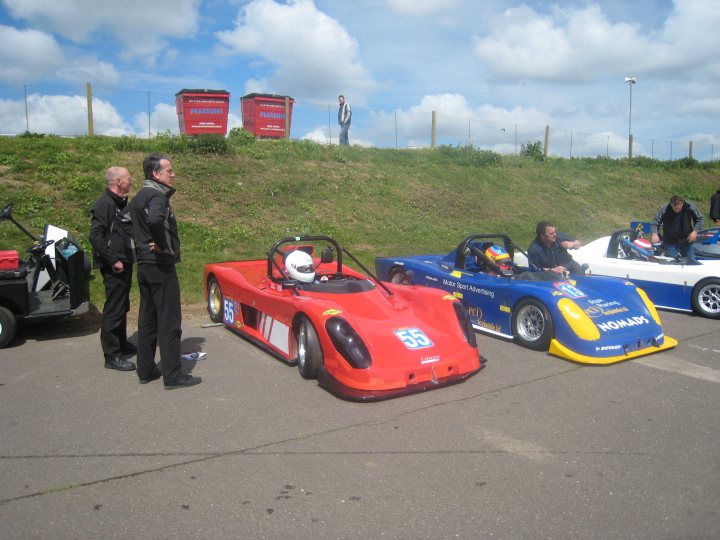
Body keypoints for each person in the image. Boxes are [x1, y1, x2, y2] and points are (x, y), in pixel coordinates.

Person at [128, 153, 201, 390]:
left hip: (144, 265)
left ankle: (146, 369)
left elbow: (125, 221)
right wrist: (160, 244)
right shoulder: (157, 195)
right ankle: (173, 376)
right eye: (169, 171)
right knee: (169, 320)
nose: (173, 174)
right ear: (155, 174)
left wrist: (140, 245)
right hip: (160, 266)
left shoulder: (138, 196)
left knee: (147, 319)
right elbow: (156, 221)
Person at [89, 167, 136, 372]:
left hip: (125, 261)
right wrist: (113, 260)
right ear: (118, 181)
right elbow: (95, 236)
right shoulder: (105, 204)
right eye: (128, 178)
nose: (131, 180)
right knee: (114, 308)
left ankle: (121, 343)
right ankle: (111, 355)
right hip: (114, 266)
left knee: (122, 305)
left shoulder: (120, 203)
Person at [651, 195, 704, 261]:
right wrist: (654, 233)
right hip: (670, 242)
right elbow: (655, 222)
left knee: (691, 261)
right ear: (671, 205)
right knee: (672, 262)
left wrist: (695, 231)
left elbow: (700, 219)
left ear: (682, 204)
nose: (676, 211)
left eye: (678, 209)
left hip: (687, 240)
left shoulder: (689, 207)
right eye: (674, 208)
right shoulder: (664, 210)